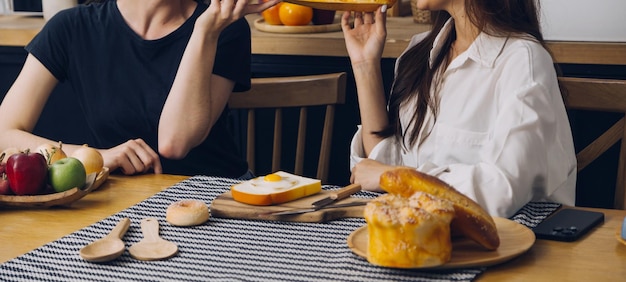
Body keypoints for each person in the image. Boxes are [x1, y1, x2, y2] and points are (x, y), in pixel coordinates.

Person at [342, 0, 577, 217]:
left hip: (523, 246)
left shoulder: (523, 61)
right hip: (432, 236)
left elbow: (502, 191)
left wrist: (391, 177)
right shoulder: (419, 55)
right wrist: (365, 65)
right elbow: (384, 164)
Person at [0, 0, 279, 178]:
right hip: (126, 200)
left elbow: (174, 143)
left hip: (216, 196)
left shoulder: (223, 26)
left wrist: (205, 32)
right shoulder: (70, 28)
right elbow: (4, 132)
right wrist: (96, 157)